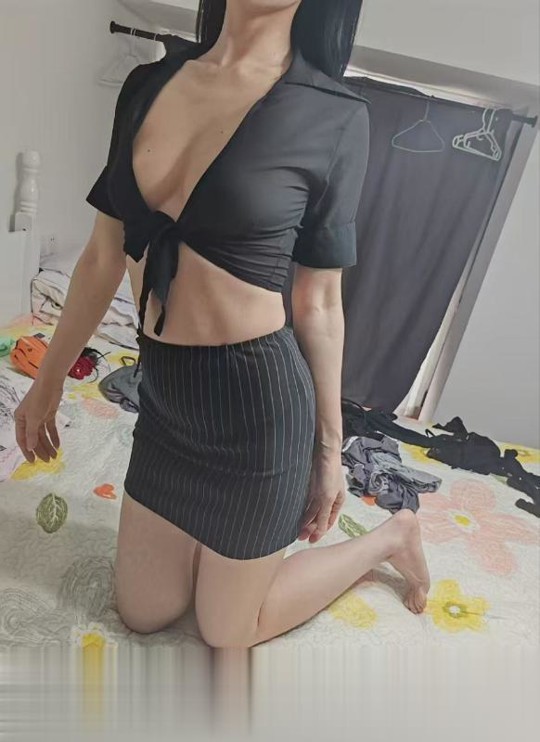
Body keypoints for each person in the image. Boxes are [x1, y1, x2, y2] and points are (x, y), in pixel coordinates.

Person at [14, 0, 430, 648]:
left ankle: (391, 537)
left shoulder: (333, 115)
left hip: (256, 412)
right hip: (163, 398)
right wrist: (48, 382)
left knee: (228, 630)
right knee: (143, 611)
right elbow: (101, 256)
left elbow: (320, 302)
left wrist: (329, 452)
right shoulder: (147, 84)